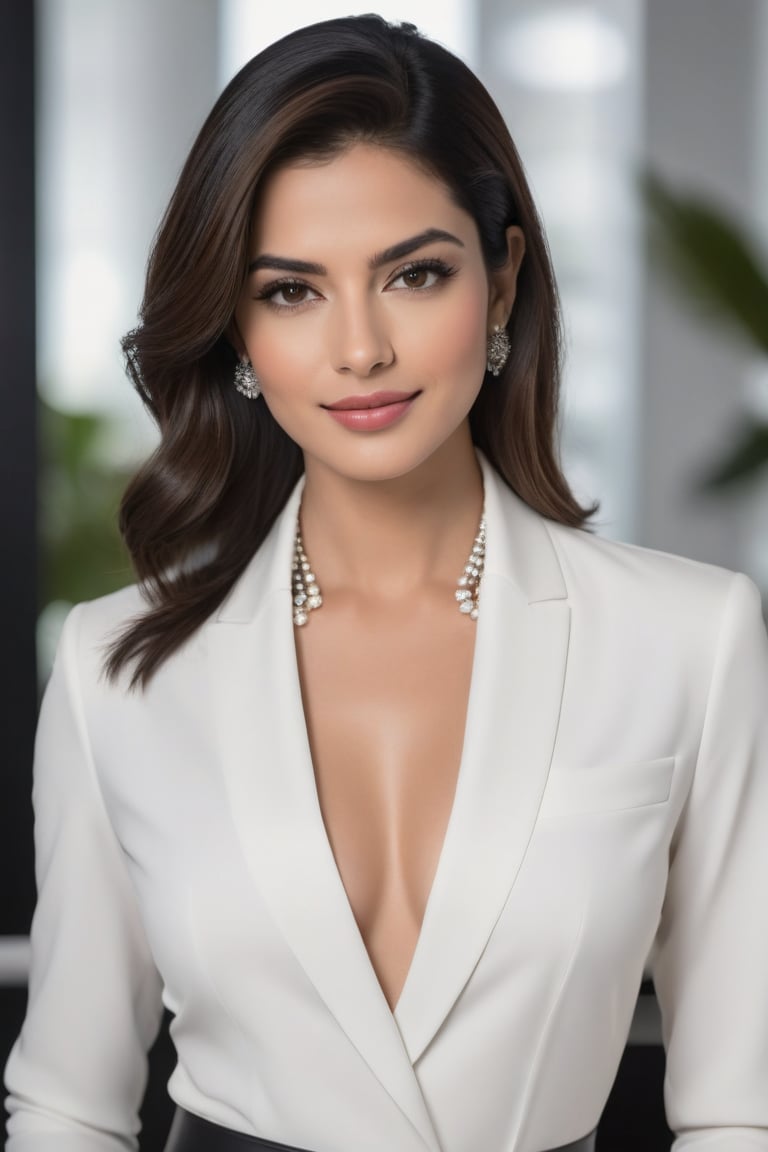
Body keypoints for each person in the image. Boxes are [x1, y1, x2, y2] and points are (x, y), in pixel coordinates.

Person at [5, 13, 768, 1152]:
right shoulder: (121, 671)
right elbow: (68, 1108)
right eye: (291, 291)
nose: (359, 348)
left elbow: (736, 1111)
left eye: (414, 274)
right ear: (235, 329)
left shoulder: (689, 641)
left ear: (502, 280)